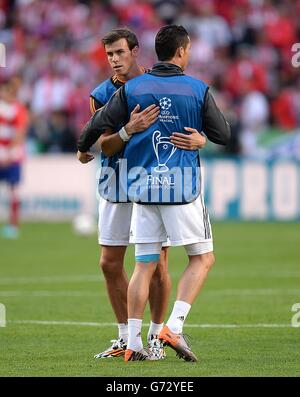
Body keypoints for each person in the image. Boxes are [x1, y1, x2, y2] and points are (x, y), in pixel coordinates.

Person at [77, 25, 223, 361]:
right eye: (109, 55)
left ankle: (157, 336)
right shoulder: (100, 94)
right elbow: (106, 146)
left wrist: (201, 138)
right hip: (118, 181)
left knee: (156, 263)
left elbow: (185, 127)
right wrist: (129, 130)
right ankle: (126, 338)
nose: (114, 60)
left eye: (120, 53)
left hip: (150, 182)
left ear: (135, 52)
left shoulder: (156, 86)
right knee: (109, 263)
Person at [0, 78, 28, 239]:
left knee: (14, 191)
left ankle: (13, 225)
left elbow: (20, 132)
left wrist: (7, 154)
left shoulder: (18, 110)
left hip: (12, 156)